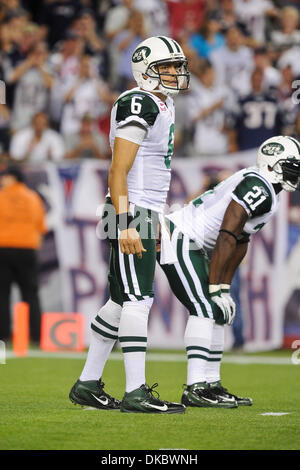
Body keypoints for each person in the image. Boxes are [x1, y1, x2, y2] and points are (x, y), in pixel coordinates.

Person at [69, 36, 190, 414]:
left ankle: (88, 382)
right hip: (130, 210)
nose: (174, 72)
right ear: (144, 69)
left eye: (176, 65)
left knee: (121, 301)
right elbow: (118, 170)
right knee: (139, 300)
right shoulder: (137, 101)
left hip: (141, 211)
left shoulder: (161, 103)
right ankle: (136, 391)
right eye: (166, 66)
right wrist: (126, 223)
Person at [157, 135, 300, 408]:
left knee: (220, 309)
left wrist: (223, 287)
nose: (295, 170)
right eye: (290, 164)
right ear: (272, 164)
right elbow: (226, 233)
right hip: (181, 236)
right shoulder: (258, 185)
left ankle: (211, 384)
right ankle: (195, 387)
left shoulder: (269, 189)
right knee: (205, 308)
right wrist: (215, 287)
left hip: (195, 243)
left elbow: (241, 240)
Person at [0, 165, 47, 343]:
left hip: (3, 249)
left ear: (12, 178)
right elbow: (42, 226)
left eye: (4, 177)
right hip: (27, 249)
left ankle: (3, 335)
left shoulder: (1, 196)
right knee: (30, 294)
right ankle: (37, 336)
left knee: (2, 294)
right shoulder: (33, 198)